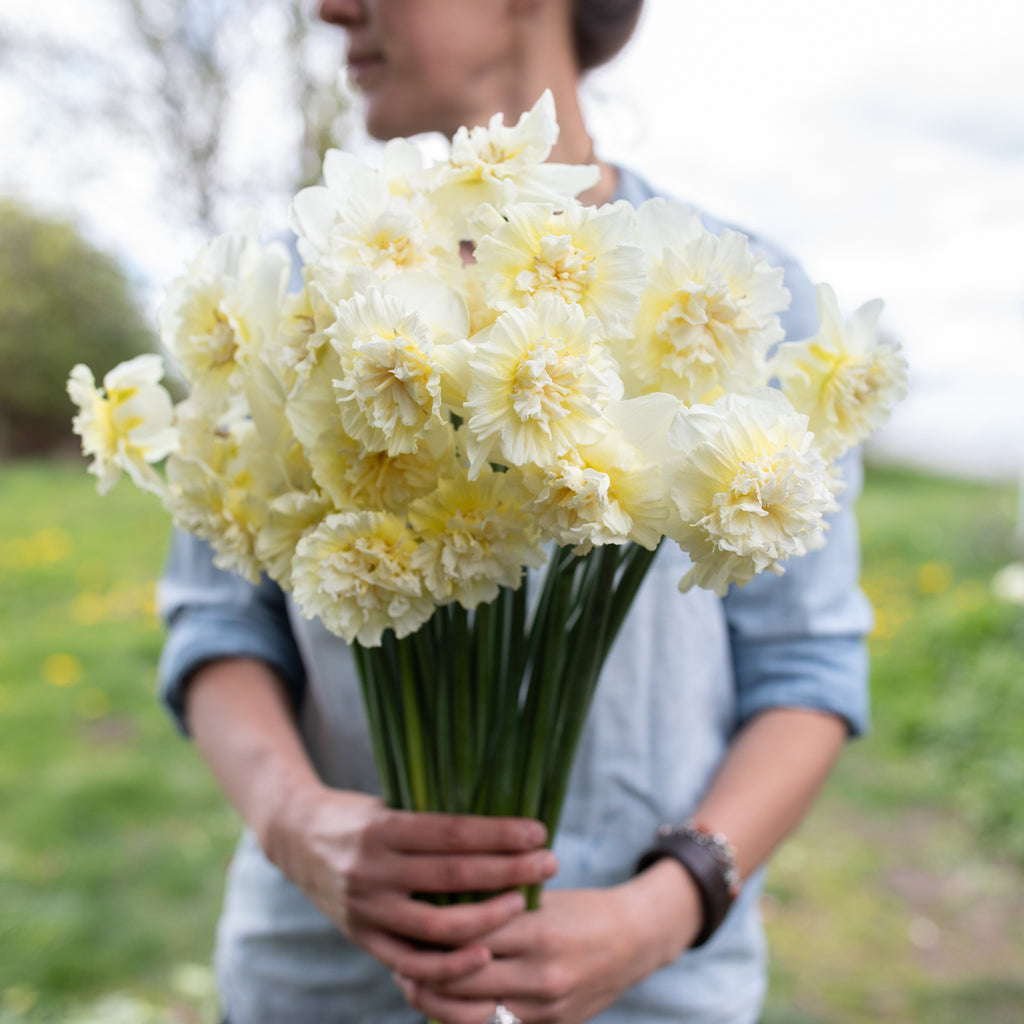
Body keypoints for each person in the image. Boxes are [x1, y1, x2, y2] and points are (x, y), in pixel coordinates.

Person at [158, 1, 872, 1022]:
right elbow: (216, 616)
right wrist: (293, 823)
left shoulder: (738, 298)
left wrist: (668, 907)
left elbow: (808, 665)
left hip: (648, 989)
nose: (328, 7)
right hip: (321, 979)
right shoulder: (286, 295)